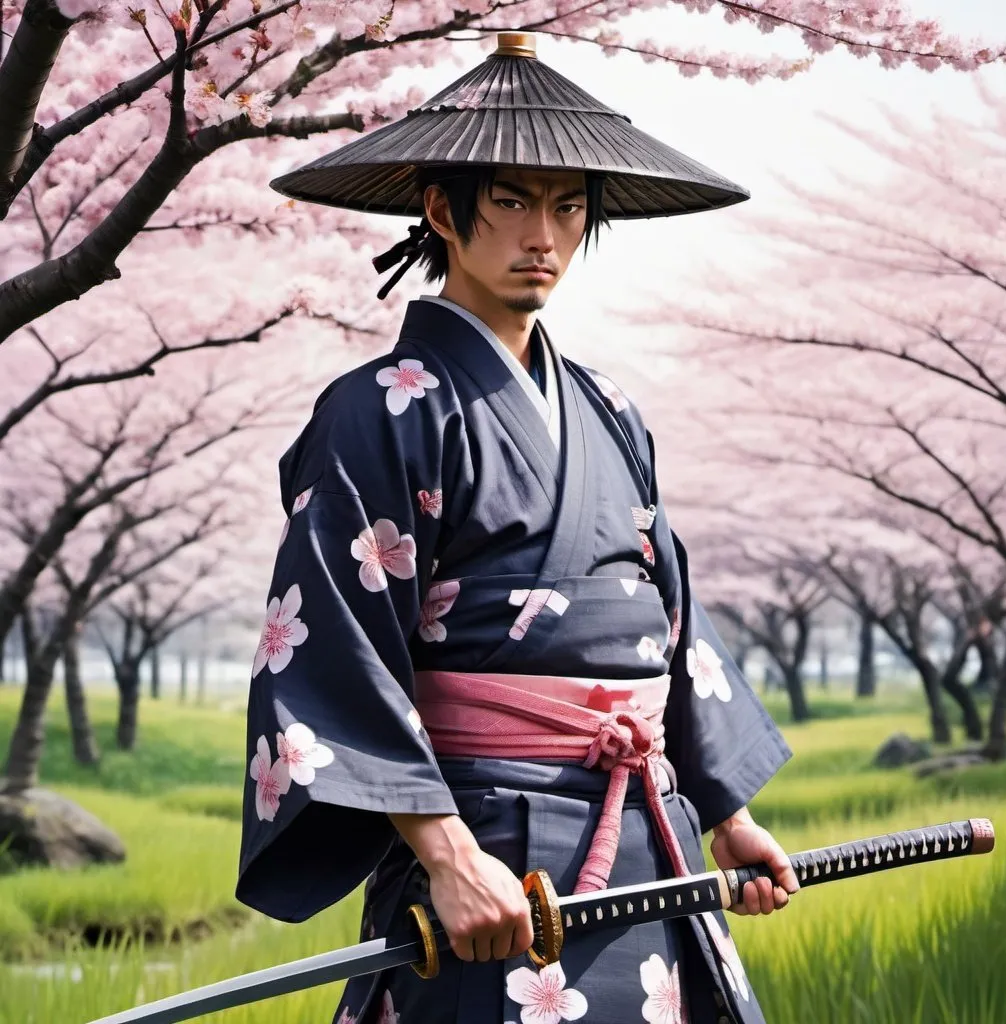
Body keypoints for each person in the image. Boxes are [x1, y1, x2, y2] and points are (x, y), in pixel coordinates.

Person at [237, 32, 798, 1024]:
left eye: (568, 205)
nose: (543, 234)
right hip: (490, 861)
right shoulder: (381, 409)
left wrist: (724, 810)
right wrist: (448, 858)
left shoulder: (611, 408)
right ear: (442, 210)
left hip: (643, 843)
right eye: (511, 200)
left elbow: (666, 615)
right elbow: (336, 648)